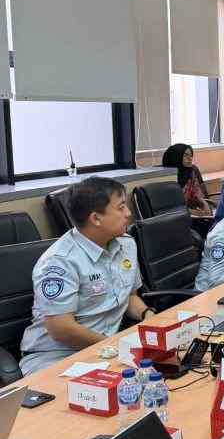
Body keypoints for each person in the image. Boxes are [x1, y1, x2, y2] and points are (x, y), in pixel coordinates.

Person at [19, 177, 155, 375]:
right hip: (56, 357)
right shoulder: (60, 261)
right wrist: (114, 346)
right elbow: (61, 329)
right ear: (96, 219)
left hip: (106, 348)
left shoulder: (126, 244)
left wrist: (147, 315)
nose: (128, 213)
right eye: (121, 207)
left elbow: (130, 297)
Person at [161, 143, 213, 217]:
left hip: (193, 212)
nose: (190, 158)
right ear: (176, 157)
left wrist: (205, 205)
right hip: (175, 216)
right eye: (186, 155)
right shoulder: (166, 177)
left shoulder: (191, 171)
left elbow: (198, 195)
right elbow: (170, 208)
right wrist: (196, 213)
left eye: (191, 155)